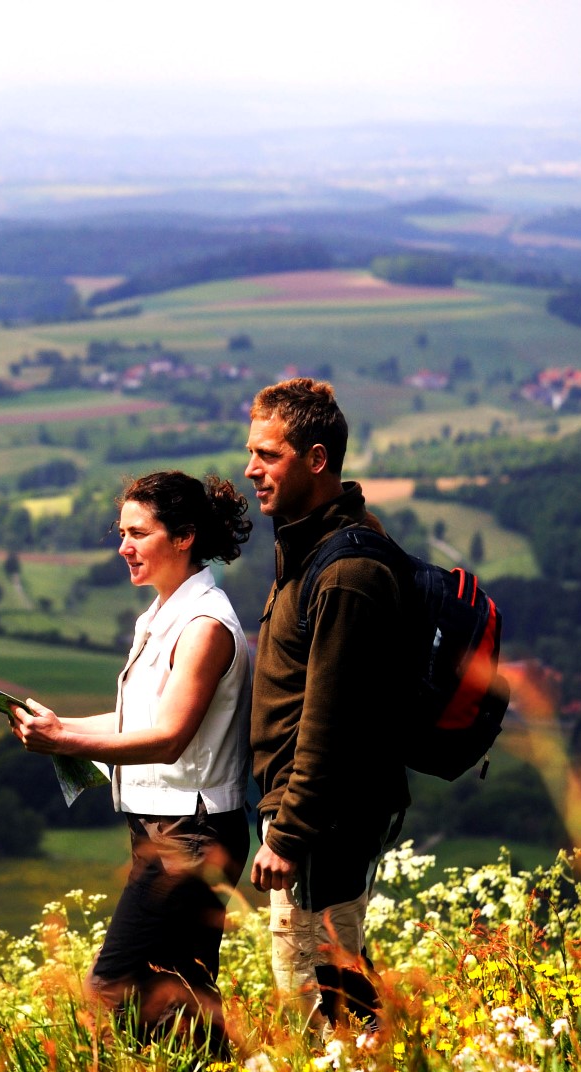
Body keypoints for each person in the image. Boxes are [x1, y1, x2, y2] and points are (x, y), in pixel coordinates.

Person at [10, 470, 252, 1050]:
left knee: (109, 989)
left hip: (188, 835)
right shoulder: (162, 616)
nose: (123, 547)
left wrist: (65, 743)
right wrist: (58, 725)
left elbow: (167, 737)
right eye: (122, 532)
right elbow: (137, 723)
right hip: (168, 830)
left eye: (138, 533)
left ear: (185, 535)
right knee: (178, 997)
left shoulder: (203, 626)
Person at [242, 378, 407, 1029]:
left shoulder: (345, 572)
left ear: (316, 459)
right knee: (332, 983)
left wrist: (286, 830)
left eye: (269, 455)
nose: (252, 469)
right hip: (319, 819)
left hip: (323, 825)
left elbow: (329, 719)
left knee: (314, 993)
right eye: (251, 453)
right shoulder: (310, 547)